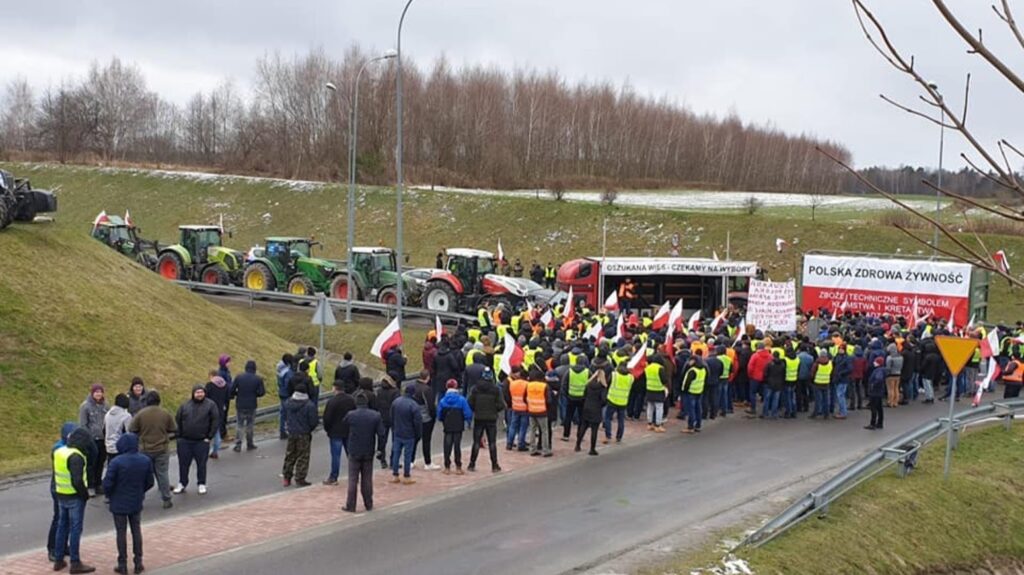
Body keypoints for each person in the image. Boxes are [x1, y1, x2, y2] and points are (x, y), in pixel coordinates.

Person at [102, 433, 153, 575]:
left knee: (121, 532)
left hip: (118, 502)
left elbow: (108, 483)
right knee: (136, 530)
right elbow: (150, 482)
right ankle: (138, 562)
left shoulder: (116, 462)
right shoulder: (145, 460)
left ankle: (122, 564)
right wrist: (140, 491)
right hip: (136, 500)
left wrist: (110, 494)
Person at [52, 426, 97, 573]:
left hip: (60, 494)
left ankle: (59, 560)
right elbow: (77, 480)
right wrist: (84, 495)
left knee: (62, 526)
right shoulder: (77, 457)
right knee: (75, 529)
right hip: (74, 497)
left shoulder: (59, 452)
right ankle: (75, 562)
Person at [128, 392, 176, 509]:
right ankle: (166, 499)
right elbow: (173, 428)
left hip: (145, 449)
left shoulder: (140, 414)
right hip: (162, 448)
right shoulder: (165, 413)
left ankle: (139, 499)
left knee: (142, 476)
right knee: (162, 474)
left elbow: (131, 429)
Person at [342, 394, 385, 512]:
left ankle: (351, 505)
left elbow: (344, 428)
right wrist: (380, 449)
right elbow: (381, 434)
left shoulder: (351, 415)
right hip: (368, 450)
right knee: (367, 478)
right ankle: (368, 503)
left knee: (352, 479)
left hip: (354, 450)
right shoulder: (375, 416)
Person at [173, 385, 219, 496]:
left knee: (201, 464)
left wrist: (209, 436)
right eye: (197, 392)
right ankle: (182, 483)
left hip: (201, 441)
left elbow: (215, 420)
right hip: (185, 441)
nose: (199, 394)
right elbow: (178, 419)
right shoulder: (185, 405)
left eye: (201, 392)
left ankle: (201, 483)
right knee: (183, 464)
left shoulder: (210, 405)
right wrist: (179, 436)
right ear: (193, 393)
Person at [48, 423, 78, 563]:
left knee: (65, 519)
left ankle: (62, 545)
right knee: (59, 519)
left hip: (64, 488)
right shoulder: (59, 449)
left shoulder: (67, 447)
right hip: (59, 488)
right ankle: (53, 548)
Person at [467, 368, 505, 472]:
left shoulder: (475, 389)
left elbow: (470, 402)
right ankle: (494, 465)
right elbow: (501, 404)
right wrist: (494, 409)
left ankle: (472, 464)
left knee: (476, 442)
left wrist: (476, 409)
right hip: (491, 418)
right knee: (492, 442)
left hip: (479, 417)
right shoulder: (496, 389)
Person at [282, 383, 319, 487]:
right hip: (304, 433)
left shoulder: (288, 403)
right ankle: (300, 478)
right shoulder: (309, 405)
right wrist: (309, 429)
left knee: (290, 455)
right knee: (303, 456)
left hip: (292, 432)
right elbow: (313, 421)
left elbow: (284, 416)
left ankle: (286, 477)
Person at [321, 380, 356, 486]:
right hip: (348, 430)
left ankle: (333, 477)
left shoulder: (332, 402)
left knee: (336, 456)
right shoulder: (351, 399)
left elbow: (327, 418)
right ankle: (354, 475)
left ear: (335, 388)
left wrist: (328, 429)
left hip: (335, 432)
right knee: (351, 454)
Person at [437, 379, 474, 474]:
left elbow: (439, 415)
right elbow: (468, 413)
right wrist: (468, 420)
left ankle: (447, 466)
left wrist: (442, 420)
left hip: (447, 426)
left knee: (447, 446)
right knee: (457, 446)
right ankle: (458, 466)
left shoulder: (442, 401)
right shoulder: (461, 400)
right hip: (458, 425)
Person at [78, 384, 109, 496]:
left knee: (101, 462)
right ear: (92, 393)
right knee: (91, 463)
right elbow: (83, 424)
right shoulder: (85, 406)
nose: (98, 394)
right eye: (96, 392)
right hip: (92, 440)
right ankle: (90, 485)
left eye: (100, 392)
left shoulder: (105, 405)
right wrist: (88, 438)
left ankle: (98, 483)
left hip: (103, 439)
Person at [390, 384, 423, 484]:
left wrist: (394, 428)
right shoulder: (413, 405)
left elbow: (391, 416)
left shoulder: (396, 402)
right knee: (407, 456)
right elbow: (417, 422)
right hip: (409, 434)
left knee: (396, 453)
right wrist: (418, 434)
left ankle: (395, 475)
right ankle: (406, 476)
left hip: (398, 432)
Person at [231, 359, 266, 452]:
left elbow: (232, 389)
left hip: (240, 404)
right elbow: (262, 392)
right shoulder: (258, 379)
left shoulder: (239, 377)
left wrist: (236, 394)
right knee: (250, 425)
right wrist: (255, 394)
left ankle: (238, 444)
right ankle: (249, 443)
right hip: (252, 404)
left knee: (239, 424)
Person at [411, 370, 440, 470]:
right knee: (426, 441)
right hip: (426, 418)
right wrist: (433, 416)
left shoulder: (413, 386)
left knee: (415, 439)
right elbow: (430, 406)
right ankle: (428, 463)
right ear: (427, 377)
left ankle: (411, 460)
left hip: (414, 417)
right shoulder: (427, 389)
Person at [577, 370, 607, 455]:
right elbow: (604, 400)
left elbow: (584, 395)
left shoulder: (588, 384)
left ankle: (577, 445)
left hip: (587, 407)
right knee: (594, 430)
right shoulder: (602, 387)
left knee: (583, 427)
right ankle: (592, 449)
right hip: (596, 409)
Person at [603, 363, 632, 444]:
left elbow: (607, 384)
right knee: (621, 420)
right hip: (623, 401)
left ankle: (608, 436)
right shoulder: (630, 377)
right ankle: (619, 437)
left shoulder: (614, 375)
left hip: (612, 399)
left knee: (608, 418)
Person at [527, 369, 553, 457]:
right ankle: (545, 450)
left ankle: (532, 449)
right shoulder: (544, 386)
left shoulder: (529, 385)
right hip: (542, 411)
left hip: (531, 410)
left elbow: (524, 397)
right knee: (544, 431)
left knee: (532, 430)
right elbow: (549, 400)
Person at [375, 376, 400, 469]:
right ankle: (393, 461)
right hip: (393, 418)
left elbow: (376, 404)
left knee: (382, 439)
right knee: (395, 440)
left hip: (382, 418)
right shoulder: (395, 392)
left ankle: (382, 460)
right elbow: (397, 405)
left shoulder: (379, 391)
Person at [204, 370, 229, 459]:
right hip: (221, 410)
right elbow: (227, 398)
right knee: (217, 430)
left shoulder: (209, 385)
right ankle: (215, 451)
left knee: (209, 431)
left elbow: (205, 398)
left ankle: (207, 451)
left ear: (211, 376)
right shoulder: (224, 385)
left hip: (210, 410)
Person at [562, 360, 589, 441]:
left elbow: (564, 384)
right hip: (582, 398)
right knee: (581, 418)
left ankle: (566, 435)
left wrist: (566, 395)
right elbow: (590, 384)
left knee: (568, 417)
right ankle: (580, 435)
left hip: (571, 397)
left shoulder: (569, 371)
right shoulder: (587, 372)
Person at [505, 369, 530, 451]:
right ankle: (521, 444)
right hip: (524, 408)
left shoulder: (512, 383)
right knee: (523, 427)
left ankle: (509, 443)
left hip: (515, 407)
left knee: (513, 426)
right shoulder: (527, 384)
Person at [104, 394, 133, 463]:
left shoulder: (107, 414)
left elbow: (104, 429)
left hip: (109, 447)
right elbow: (129, 433)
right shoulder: (126, 416)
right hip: (121, 448)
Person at [681, 356, 706, 434]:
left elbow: (686, 382)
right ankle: (698, 425)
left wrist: (683, 390)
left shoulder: (692, 371)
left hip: (691, 392)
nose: (689, 362)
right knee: (698, 408)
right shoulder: (703, 369)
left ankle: (690, 426)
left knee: (691, 410)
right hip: (699, 391)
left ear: (694, 361)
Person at [645, 357, 668, 432]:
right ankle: (658, 425)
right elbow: (664, 380)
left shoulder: (647, 368)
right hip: (658, 390)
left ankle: (649, 424)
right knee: (659, 408)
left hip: (649, 389)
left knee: (650, 407)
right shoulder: (660, 368)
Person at [809, 351, 833, 419]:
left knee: (818, 400)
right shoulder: (830, 363)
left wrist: (812, 380)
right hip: (826, 382)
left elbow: (812, 373)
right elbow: (831, 372)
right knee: (826, 399)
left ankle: (815, 413)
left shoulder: (817, 363)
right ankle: (826, 414)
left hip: (817, 382)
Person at [865, 357, 887, 430]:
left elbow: (879, 379)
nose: (874, 362)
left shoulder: (878, 371)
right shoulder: (882, 370)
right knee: (879, 408)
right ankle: (880, 423)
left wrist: (872, 385)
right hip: (880, 392)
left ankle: (872, 423)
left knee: (873, 408)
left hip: (875, 392)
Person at [276, 353, 294, 439]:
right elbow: (288, 384)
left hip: (281, 392)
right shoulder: (288, 372)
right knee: (288, 413)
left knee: (283, 413)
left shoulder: (280, 368)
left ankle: (282, 430)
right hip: (287, 394)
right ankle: (287, 430)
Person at [217, 355, 234, 440]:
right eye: (228, 362)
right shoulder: (221, 373)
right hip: (222, 397)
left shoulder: (227, 372)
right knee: (222, 416)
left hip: (227, 396)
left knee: (225, 415)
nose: (229, 364)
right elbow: (223, 385)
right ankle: (222, 434)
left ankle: (223, 433)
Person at [885, 343, 904, 408]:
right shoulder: (901, 357)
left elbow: (888, 367)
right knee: (896, 388)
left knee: (890, 389)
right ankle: (896, 402)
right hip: (898, 373)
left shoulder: (889, 358)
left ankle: (890, 402)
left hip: (890, 374)